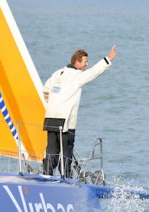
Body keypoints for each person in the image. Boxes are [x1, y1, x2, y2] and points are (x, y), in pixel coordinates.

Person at [42, 46, 117, 177]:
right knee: (66, 151)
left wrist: (54, 103)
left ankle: (46, 176)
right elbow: (94, 72)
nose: (87, 64)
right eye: (84, 62)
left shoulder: (58, 73)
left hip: (50, 118)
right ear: (76, 62)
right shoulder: (77, 76)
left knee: (51, 150)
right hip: (66, 121)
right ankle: (66, 178)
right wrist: (108, 59)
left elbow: (46, 90)